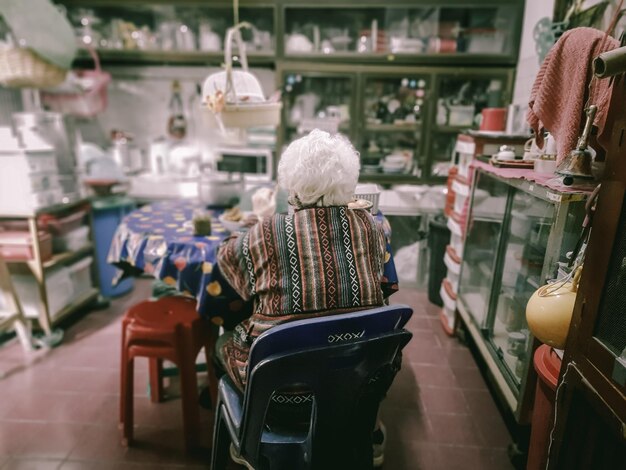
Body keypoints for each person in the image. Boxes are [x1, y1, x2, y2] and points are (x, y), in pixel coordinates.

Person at [215, 129, 398, 466]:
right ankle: (363, 433)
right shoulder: (376, 229)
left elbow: (226, 258)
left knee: (222, 340)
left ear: (291, 185)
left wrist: (261, 219)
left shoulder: (266, 233)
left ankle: (246, 440)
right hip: (355, 387)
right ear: (348, 183)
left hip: (280, 396)